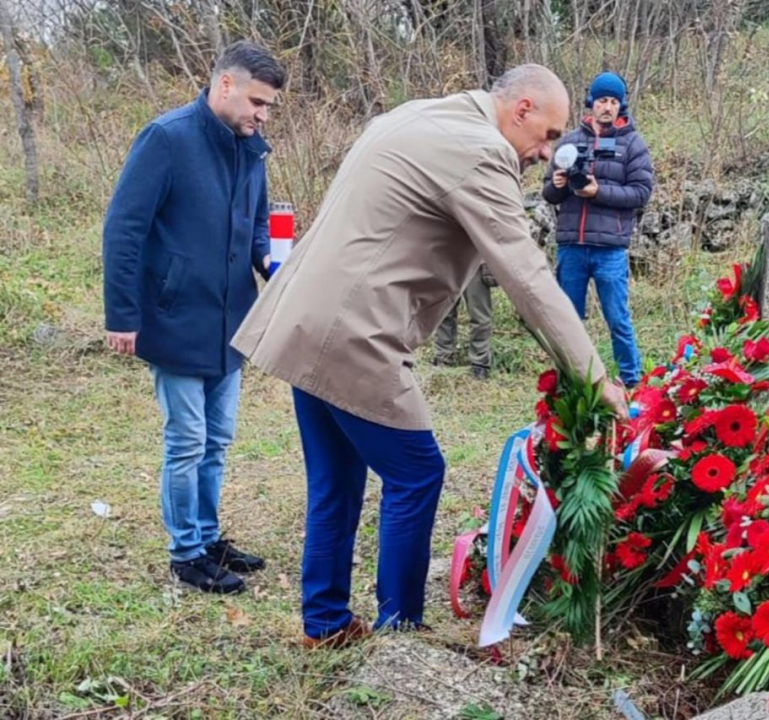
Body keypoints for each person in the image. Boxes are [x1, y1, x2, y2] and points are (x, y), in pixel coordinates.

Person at [231, 64, 628, 647]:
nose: (549, 154)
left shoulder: (418, 114)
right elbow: (526, 277)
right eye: (547, 136)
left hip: (306, 316)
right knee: (417, 473)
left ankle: (325, 623)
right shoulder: (480, 150)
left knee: (336, 483)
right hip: (355, 335)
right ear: (520, 109)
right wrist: (594, 378)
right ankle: (401, 631)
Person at [102, 41, 285, 595]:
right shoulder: (167, 138)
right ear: (224, 85)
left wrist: (273, 265)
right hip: (175, 315)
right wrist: (122, 315)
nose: (263, 114)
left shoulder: (250, 148)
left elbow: (257, 226)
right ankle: (186, 554)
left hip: (231, 320)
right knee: (186, 439)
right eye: (258, 101)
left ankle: (207, 536)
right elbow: (124, 229)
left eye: (270, 106)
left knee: (218, 439)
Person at [542, 71, 654, 388]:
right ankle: (569, 380)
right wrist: (558, 184)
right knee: (567, 321)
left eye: (613, 101)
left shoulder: (633, 145)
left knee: (618, 319)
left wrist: (598, 192)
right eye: (602, 100)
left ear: (621, 106)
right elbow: (549, 195)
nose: (607, 106)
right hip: (572, 245)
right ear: (591, 103)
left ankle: (631, 380)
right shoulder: (570, 142)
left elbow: (641, 194)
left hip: (610, 250)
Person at [433, 265, 496, 380]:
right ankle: (443, 358)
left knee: (480, 316)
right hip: (446, 261)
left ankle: (480, 364)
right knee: (444, 314)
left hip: (475, 264)